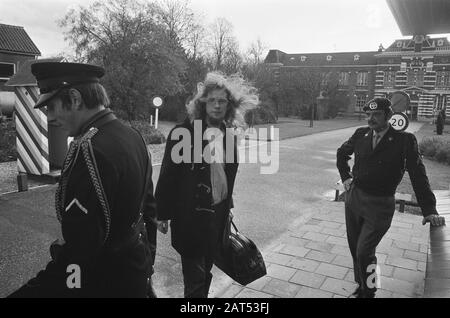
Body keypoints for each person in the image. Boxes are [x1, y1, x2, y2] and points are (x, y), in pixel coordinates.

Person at [8, 62, 154, 298]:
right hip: (135, 273)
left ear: (75, 99)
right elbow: (148, 213)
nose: (50, 117)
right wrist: (147, 265)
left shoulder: (89, 152)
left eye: (52, 107)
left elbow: (78, 256)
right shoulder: (133, 136)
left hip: (105, 284)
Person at [155, 72, 258, 298]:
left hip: (218, 217)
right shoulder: (184, 133)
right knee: (195, 277)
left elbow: (225, 176)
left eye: (222, 101)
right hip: (190, 217)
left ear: (229, 105)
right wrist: (162, 213)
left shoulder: (228, 136)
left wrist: (227, 208)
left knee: (206, 271)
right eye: (212, 100)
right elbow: (168, 174)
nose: (217, 105)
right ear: (202, 103)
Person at [336, 97, 446, 298]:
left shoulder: (404, 141)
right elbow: (341, 153)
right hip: (355, 200)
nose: (371, 119)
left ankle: (369, 291)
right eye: (368, 115)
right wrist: (346, 179)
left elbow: (418, 174)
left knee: (364, 251)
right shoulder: (361, 134)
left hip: (380, 205)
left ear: (388, 116)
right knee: (355, 250)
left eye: (376, 115)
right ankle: (362, 285)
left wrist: (429, 210)